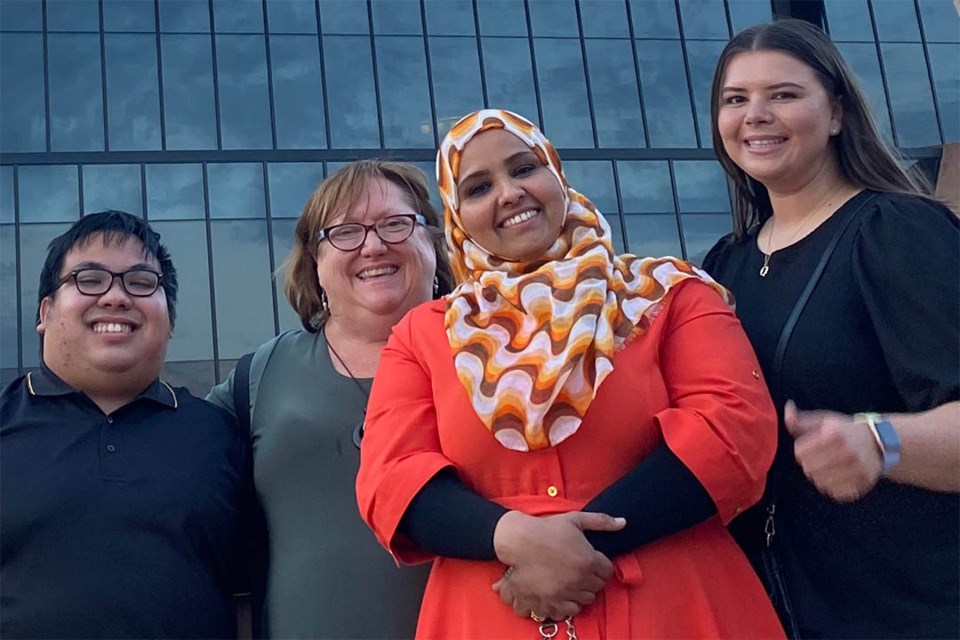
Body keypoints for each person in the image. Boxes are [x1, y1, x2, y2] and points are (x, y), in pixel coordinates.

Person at [356, 109, 786, 638]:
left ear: (557, 175)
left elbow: (735, 431)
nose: (509, 193)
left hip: (677, 609)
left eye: (524, 168)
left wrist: (575, 549)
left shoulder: (669, 296)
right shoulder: (423, 334)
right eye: (478, 187)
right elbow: (390, 479)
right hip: (491, 615)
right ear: (457, 217)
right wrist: (513, 538)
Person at [702, 19, 959, 639]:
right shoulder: (723, 262)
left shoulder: (898, 231)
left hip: (904, 604)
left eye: (783, 94)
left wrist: (879, 442)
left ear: (838, 113)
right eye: (736, 99)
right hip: (773, 601)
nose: (756, 115)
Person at [207, 161, 454, 638]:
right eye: (344, 232)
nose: (373, 244)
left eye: (395, 223)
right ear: (314, 262)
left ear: (434, 243)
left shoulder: (502, 359)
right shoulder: (260, 376)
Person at [0, 210, 250, 638]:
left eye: (140, 282)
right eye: (90, 279)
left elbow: (246, 598)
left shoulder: (219, 436)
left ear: (168, 320)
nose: (116, 297)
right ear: (45, 312)